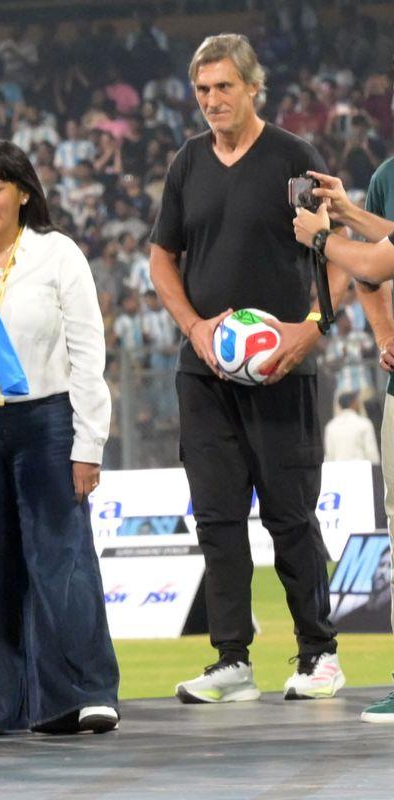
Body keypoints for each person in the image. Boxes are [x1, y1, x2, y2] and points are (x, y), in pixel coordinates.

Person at [149, 34, 348, 705]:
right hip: (204, 373)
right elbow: (160, 260)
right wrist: (195, 327)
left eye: (224, 87)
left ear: (252, 87)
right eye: (203, 90)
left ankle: (319, 654)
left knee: (291, 516)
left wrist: (311, 329)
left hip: (283, 370)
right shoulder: (186, 163)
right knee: (216, 516)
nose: (212, 102)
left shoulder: (294, 160)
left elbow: (340, 254)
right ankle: (231, 660)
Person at [0, 138, 119, 734]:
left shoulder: (58, 254)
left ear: (23, 192)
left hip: (45, 421)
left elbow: (88, 351)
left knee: (61, 561)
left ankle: (83, 694)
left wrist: (88, 443)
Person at [290, 164, 394, 722]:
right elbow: (380, 261)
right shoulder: (386, 175)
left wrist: (324, 237)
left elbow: (380, 260)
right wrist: (351, 213)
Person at [323, 391, 380, 464]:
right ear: (354, 403)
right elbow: (372, 454)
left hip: (338, 472)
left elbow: (329, 456)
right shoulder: (364, 424)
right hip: (361, 471)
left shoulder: (330, 427)